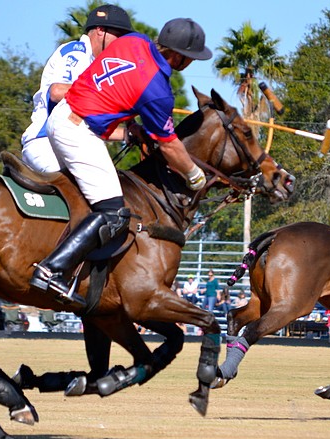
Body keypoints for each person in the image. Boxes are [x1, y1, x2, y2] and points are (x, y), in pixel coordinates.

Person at [31, 17, 213, 308]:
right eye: (190, 58)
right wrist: (194, 174)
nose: (191, 63)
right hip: (78, 131)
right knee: (115, 213)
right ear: (178, 56)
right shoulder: (158, 90)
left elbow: (115, 86)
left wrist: (128, 125)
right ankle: (51, 270)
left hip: (63, 115)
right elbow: (169, 145)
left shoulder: (133, 40)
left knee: (90, 199)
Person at [20, 5, 135, 174]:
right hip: (47, 145)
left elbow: (89, 126)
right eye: (118, 35)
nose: (121, 42)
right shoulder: (77, 52)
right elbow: (57, 92)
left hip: (68, 146)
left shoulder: (96, 66)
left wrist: (128, 134)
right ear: (100, 30)